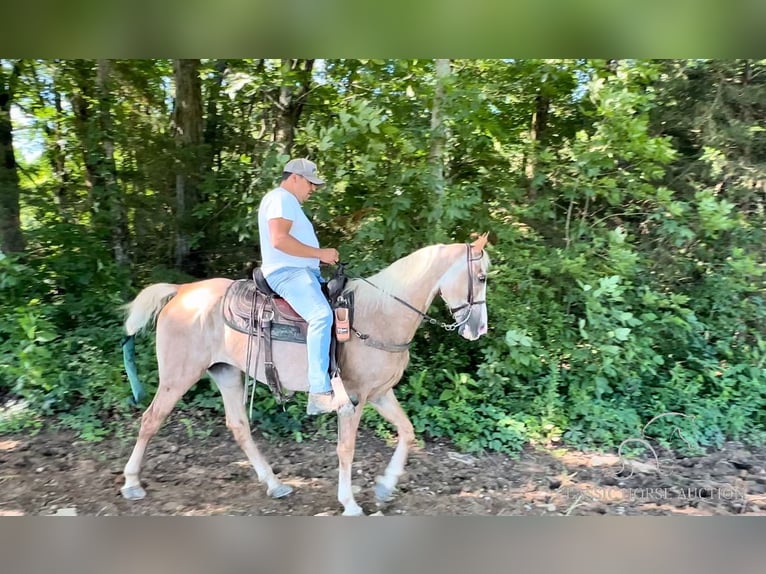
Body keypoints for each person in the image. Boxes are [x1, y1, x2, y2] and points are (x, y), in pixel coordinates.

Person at [257, 158, 341, 415]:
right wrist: (320, 253)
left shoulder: (288, 202)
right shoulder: (281, 198)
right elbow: (279, 240)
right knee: (320, 315)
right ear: (294, 177)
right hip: (288, 273)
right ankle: (319, 391)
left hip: (302, 272)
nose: (313, 189)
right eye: (310, 183)